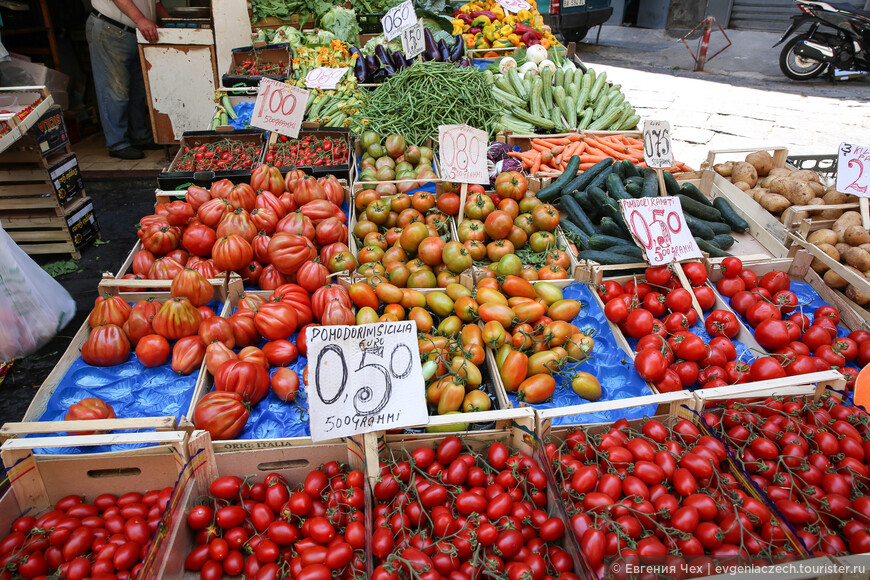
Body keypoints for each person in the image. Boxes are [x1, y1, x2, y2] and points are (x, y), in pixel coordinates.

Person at [87, 1, 169, 159]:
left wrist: (173, 23)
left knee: (138, 90)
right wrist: (140, 19)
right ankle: (117, 143)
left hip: (138, 34)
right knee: (115, 91)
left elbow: (155, 3)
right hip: (112, 28)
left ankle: (139, 135)